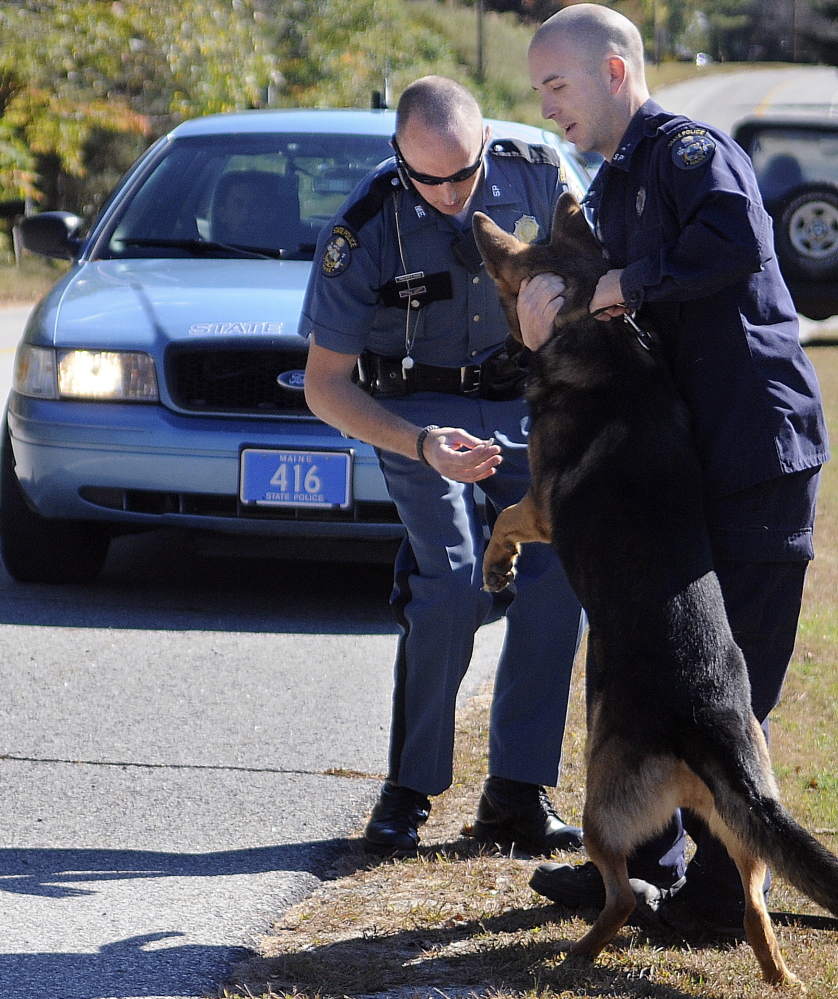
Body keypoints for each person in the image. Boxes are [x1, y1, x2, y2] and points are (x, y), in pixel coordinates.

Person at [521, 4, 830, 938]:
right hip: (687, 459)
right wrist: (554, 300)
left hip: (755, 450)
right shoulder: (615, 184)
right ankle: (637, 855)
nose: (548, 110)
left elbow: (736, 241)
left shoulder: (690, 153)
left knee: (729, 682)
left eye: (557, 87)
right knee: (643, 654)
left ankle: (715, 901)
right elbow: (602, 294)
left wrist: (623, 285)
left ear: (614, 73)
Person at [299, 76, 587, 856]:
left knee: (561, 568)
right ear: (399, 156)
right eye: (431, 178)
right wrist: (423, 444)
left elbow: (600, 271)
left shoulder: (540, 168)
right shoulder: (364, 225)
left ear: (485, 141)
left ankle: (518, 793)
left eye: (466, 172)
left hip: (525, 402)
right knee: (454, 584)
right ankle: (410, 788)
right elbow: (325, 387)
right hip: (419, 419)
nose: (453, 194)